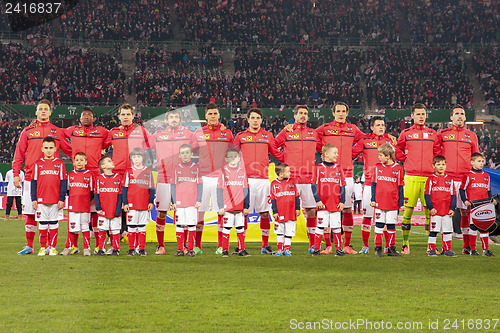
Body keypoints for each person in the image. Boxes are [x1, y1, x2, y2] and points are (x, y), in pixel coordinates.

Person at [14, 99, 71, 255]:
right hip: (31, 177)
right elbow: (19, 154)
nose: (43, 111)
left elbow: (69, 150)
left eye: (46, 109)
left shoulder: (57, 131)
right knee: (30, 213)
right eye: (41, 109)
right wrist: (16, 174)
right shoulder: (27, 131)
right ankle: (29, 246)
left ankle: (49, 246)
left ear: (50, 112)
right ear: (36, 112)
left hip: (52, 179)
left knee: (51, 216)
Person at [315, 102, 366, 254]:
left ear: (347, 113)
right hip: (328, 174)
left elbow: (365, 140)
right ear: (333, 113)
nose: (341, 113)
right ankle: (328, 245)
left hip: (347, 173)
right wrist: (323, 150)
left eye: (343, 111)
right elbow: (312, 136)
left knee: (347, 209)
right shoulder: (325, 128)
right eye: (338, 111)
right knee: (325, 208)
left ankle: (347, 245)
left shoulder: (353, 129)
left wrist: (352, 153)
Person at [234, 108, 283, 255]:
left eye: (258, 118)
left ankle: (265, 245)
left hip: (263, 181)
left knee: (264, 213)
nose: (255, 120)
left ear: (261, 120)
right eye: (253, 118)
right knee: (243, 213)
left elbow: (276, 153)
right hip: (245, 180)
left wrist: (293, 158)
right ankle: (241, 246)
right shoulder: (240, 136)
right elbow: (231, 155)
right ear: (248, 120)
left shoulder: (267, 136)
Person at [151, 109, 197, 255]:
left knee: (182, 212)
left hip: (182, 179)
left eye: (176, 116)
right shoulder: (158, 135)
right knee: (162, 212)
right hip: (163, 178)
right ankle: (160, 245)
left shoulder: (189, 134)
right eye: (171, 117)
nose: (174, 119)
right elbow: (144, 145)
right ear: (166, 120)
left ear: (180, 119)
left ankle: (183, 245)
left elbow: (196, 147)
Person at [435, 105, 479, 253]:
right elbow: (435, 152)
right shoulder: (442, 134)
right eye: (457, 114)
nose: (459, 116)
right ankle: (445, 246)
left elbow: (476, 157)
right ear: (451, 117)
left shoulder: (471, 136)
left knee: (466, 212)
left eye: (462, 114)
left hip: (465, 179)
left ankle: (467, 247)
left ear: (465, 118)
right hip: (447, 179)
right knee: (445, 212)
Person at [64, 106, 110, 251]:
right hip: (78, 172)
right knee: (75, 211)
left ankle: (98, 245)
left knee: (96, 210)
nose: (86, 117)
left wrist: (101, 148)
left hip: (95, 173)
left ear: (94, 119)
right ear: (80, 118)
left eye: (89, 116)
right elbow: (59, 135)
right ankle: (71, 245)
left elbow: (111, 138)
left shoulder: (101, 131)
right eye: (84, 115)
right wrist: (71, 152)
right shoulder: (72, 130)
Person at [396, 103, 439, 254]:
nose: (421, 117)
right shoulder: (406, 133)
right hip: (411, 177)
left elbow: (438, 152)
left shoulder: (433, 134)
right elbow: (397, 150)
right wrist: (405, 158)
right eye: (418, 114)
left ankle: (431, 246)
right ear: (412, 116)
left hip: (428, 178)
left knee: (429, 212)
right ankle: (405, 245)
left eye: (423, 114)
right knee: (408, 212)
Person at [275, 105, 319, 253]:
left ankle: (312, 245)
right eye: (300, 113)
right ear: (295, 115)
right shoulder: (287, 131)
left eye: (306, 113)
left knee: (311, 210)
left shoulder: (313, 133)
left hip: (308, 176)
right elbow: (274, 146)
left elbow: (324, 147)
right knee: (286, 211)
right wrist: (284, 159)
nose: (303, 116)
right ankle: (284, 247)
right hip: (291, 177)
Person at [352, 116, 398, 254]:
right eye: (378, 125)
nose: (381, 127)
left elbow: (399, 155)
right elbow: (351, 153)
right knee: (367, 216)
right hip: (369, 184)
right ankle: (365, 245)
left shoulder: (389, 141)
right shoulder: (365, 140)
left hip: (387, 185)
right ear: (372, 127)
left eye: (382, 125)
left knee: (385, 216)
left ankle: (386, 246)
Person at [193, 103, 234, 254]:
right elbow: (190, 150)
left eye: (215, 114)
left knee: (220, 212)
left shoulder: (227, 133)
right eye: (210, 114)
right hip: (202, 177)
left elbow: (235, 150)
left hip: (220, 177)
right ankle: (197, 245)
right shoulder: (198, 132)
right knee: (200, 212)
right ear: (206, 116)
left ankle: (220, 245)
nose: (212, 116)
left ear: (219, 115)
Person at [31, 136, 67, 256]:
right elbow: (34, 182)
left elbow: (63, 182)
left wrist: (62, 198)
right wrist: (33, 199)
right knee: (42, 224)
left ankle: (52, 247)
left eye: (51, 148)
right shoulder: (37, 164)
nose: (48, 150)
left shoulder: (60, 164)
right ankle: (42, 247)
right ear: (42, 149)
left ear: (55, 149)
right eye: (46, 148)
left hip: (55, 200)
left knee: (53, 223)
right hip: (41, 200)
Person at [311, 144, 346, 256]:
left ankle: (338, 249)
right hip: (322, 204)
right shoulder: (318, 168)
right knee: (320, 226)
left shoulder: (339, 168)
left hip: (335, 203)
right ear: (326, 154)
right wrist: (317, 200)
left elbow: (342, 186)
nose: (337, 154)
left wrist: (342, 201)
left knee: (336, 227)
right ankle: (316, 249)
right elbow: (313, 185)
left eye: (337, 152)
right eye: (334, 152)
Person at [460, 153, 497, 257]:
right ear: (472, 162)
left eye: (482, 161)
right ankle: (472, 249)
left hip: (485, 205)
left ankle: (485, 250)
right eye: (479, 161)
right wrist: (465, 200)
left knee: (484, 227)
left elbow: (488, 190)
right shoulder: (468, 175)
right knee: (473, 227)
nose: (481, 163)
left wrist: (492, 199)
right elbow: (462, 189)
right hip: (473, 206)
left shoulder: (486, 176)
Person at [370, 143, 404, 257]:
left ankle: (391, 248)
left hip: (393, 203)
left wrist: (401, 203)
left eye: (380, 155)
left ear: (388, 156)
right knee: (379, 225)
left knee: (391, 226)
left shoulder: (398, 169)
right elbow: (373, 184)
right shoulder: (377, 167)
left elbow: (400, 187)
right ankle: (378, 248)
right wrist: (373, 199)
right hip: (380, 202)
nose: (379, 157)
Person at [216, 148, 250, 257]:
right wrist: (220, 206)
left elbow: (246, 190)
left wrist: (246, 206)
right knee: (226, 228)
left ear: (239, 158)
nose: (233, 158)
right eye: (230, 156)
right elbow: (219, 190)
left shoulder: (243, 172)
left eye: (235, 156)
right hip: (227, 207)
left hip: (240, 207)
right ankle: (225, 250)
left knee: (240, 228)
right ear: (226, 159)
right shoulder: (223, 172)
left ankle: (242, 249)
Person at [123, 148, 155, 257]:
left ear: (143, 158)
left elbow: (151, 188)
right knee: (131, 227)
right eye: (134, 157)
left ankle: (141, 249)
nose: (136, 159)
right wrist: (125, 203)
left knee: (142, 226)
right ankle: (131, 249)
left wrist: (150, 201)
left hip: (143, 204)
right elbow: (124, 188)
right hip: (131, 204)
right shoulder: (128, 171)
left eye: (139, 157)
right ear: (131, 158)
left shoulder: (148, 171)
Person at [171, 144, 202, 257]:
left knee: (191, 225)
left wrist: (199, 199)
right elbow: (173, 186)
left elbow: (200, 185)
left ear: (192, 154)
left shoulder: (197, 168)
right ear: (179, 155)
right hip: (179, 202)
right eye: (182, 153)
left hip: (192, 202)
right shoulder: (176, 168)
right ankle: (180, 249)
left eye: (187, 152)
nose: (185, 155)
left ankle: (190, 249)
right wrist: (173, 202)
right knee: (179, 225)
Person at [61, 152, 94, 256]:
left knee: (85, 228)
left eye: (81, 160)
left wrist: (84, 200)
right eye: (77, 160)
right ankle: (69, 247)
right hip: (73, 206)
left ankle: (87, 248)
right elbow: (67, 190)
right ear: (74, 162)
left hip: (84, 207)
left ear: (85, 162)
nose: (79, 162)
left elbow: (92, 192)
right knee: (72, 228)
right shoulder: (70, 175)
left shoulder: (89, 175)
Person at [424, 155, 457, 257]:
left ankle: (447, 250)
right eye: (438, 164)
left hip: (446, 211)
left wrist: (452, 208)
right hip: (436, 211)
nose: (441, 166)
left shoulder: (450, 180)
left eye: (443, 164)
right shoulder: (430, 179)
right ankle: (431, 249)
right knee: (434, 231)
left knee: (447, 231)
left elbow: (453, 195)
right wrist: (431, 208)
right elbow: (427, 195)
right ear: (433, 166)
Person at [94, 156, 123, 256]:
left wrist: (118, 209)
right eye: (109, 161)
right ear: (103, 166)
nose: (112, 162)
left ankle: (116, 249)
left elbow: (120, 195)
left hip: (115, 209)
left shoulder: (119, 178)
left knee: (115, 230)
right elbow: (96, 194)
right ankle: (101, 249)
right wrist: (98, 208)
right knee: (102, 229)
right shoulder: (99, 179)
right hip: (103, 210)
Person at [270, 163, 300, 257]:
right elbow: (273, 198)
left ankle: (287, 249)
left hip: (291, 211)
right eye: (288, 171)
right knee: (279, 231)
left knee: (289, 231)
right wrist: (274, 211)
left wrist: (297, 208)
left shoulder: (292, 182)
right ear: (281, 174)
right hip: (280, 212)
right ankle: (280, 249)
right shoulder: (274, 184)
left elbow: (296, 196)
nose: (290, 173)